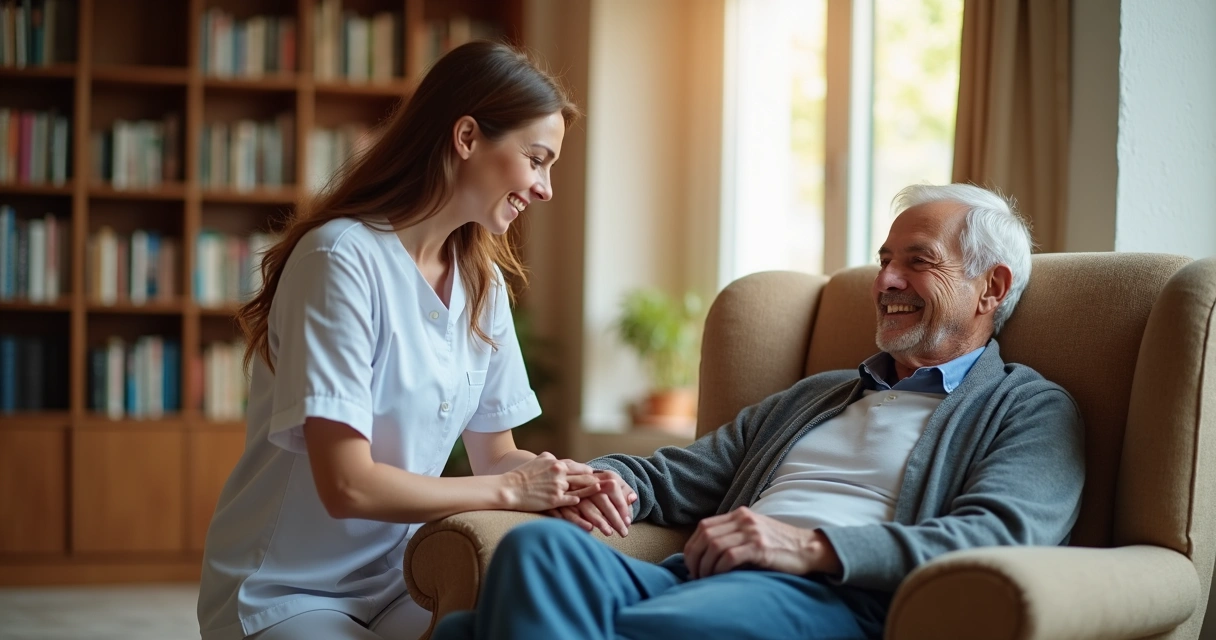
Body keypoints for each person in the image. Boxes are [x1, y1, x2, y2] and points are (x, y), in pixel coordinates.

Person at [433, 183, 1086, 640]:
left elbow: (993, 538)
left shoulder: (1028, 409)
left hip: (823, 598)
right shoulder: (819, 395)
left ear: (991, 288)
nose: (884, 280)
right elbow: (677, 473)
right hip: (689, 578)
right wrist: (598, 480)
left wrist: (804, 546)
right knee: (536, 551)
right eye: (885, 260)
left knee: (481, 629)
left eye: (917, 262)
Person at [196, 42, 618, 640]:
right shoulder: (340, 259)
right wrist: (513, 490)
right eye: (536, 158)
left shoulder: (482, 283)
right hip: (288, 590)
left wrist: (569, 481)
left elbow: (497, 456)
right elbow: (345, 483)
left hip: (401, 580)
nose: (545, 187)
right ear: (467, 136)